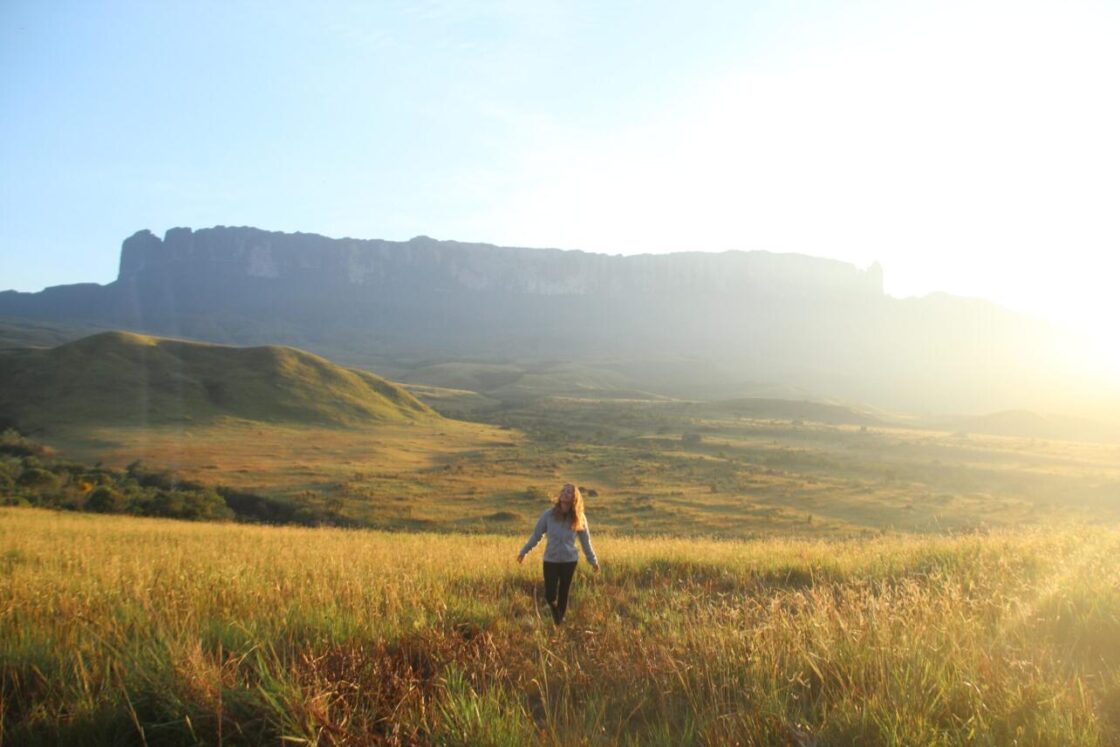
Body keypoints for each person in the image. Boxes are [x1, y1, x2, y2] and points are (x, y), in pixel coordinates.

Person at [517, 483, 600, 624]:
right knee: (550, 595)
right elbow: (536, 535)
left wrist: (593, 561)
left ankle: (558, 624)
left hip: (569, 561)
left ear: (574, 499)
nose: (565, 493)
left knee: (563, 593)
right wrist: (524, 551)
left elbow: (586, 542)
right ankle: (559, 618)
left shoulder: (579, 518)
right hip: (551, 560)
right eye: (564, 490)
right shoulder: (548, 515)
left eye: (569, 492)